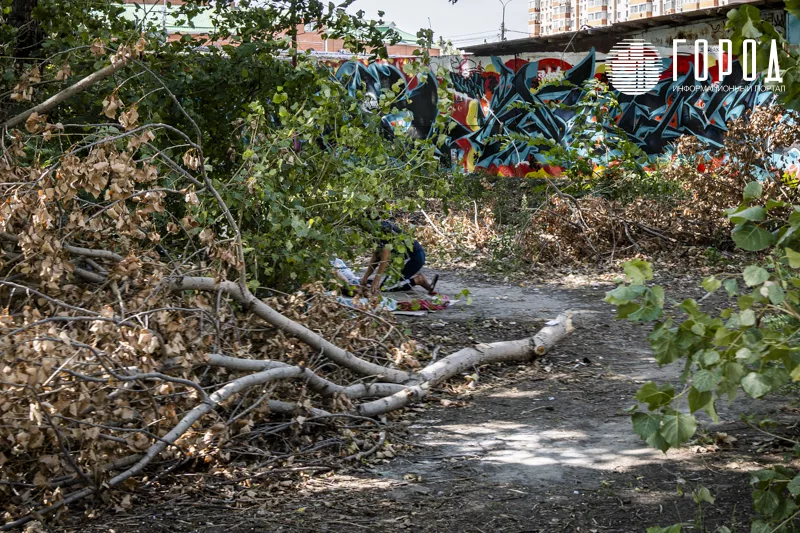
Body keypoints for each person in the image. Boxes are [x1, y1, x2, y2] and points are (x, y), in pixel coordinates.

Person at [360, 218, 439, 296]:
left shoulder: (383, 230)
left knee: (385, 286)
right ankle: (428, 286)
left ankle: (419, 280)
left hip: (413, 256)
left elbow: (385, 259)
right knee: (384, 281)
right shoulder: (376, 232)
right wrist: (365, 278)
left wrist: (376, 280)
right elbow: (376, 256)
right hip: (409, 256)